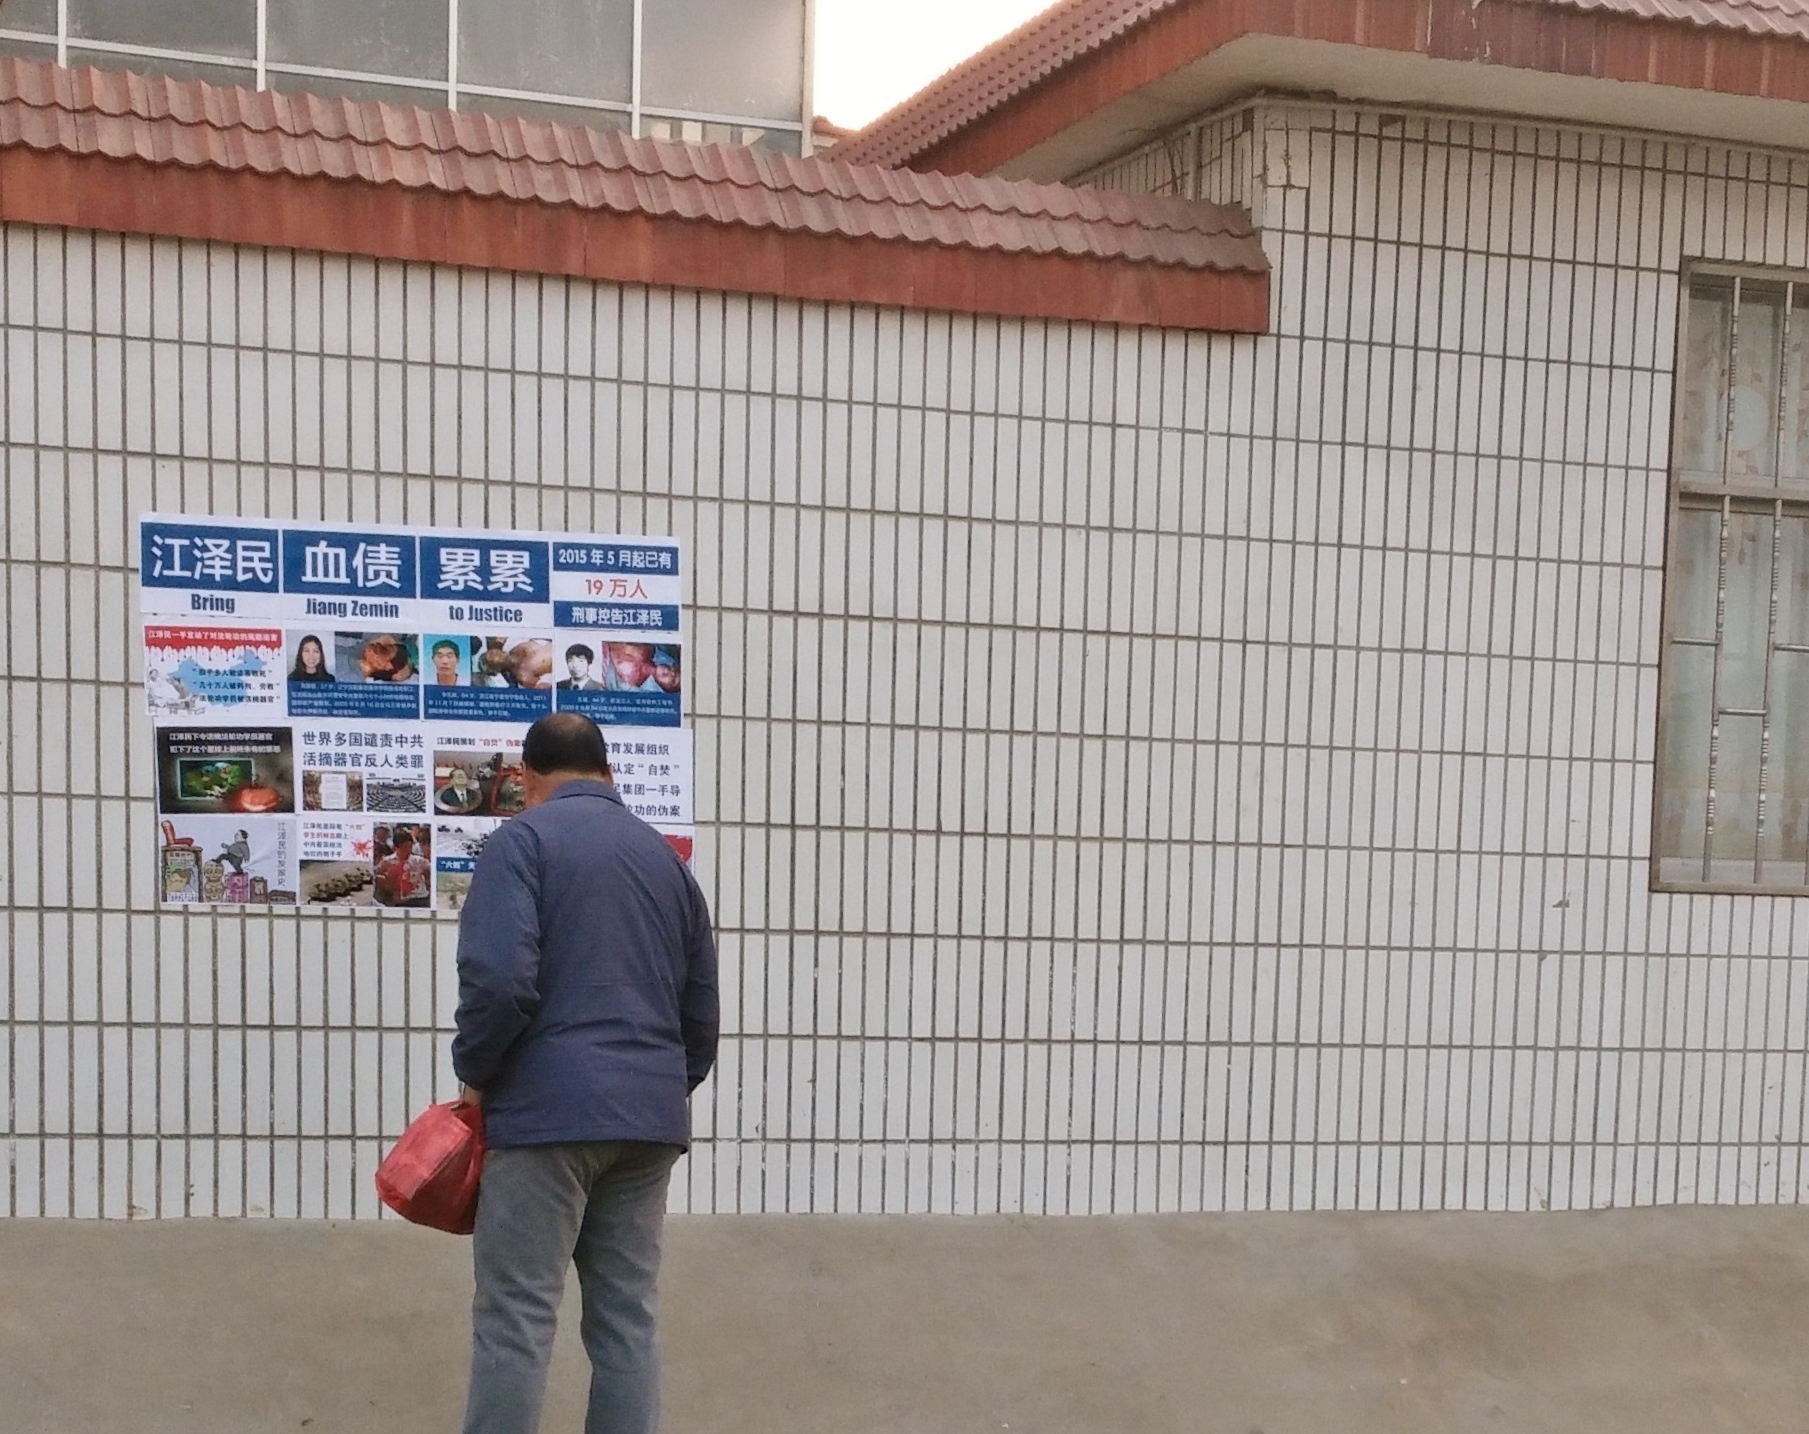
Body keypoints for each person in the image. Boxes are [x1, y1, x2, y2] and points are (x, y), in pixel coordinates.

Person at [453, 712, 717, 1434]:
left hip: (544, 1118)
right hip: (648, 1122)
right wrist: (660, 1087)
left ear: (527, 779)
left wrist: (475, 1074)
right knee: (627, 1317)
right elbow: (700, 1007)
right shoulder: (666, 861)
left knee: (517, 1317)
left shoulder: (521, 843)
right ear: (608, 773)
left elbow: (500, 980)